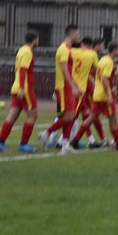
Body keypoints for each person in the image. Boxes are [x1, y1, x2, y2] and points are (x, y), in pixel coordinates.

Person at [70, 42, 118, 151]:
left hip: (98, 94)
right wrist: (109, 94)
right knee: (112, 119)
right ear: (114, 50)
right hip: (104, 96)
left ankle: (75, 140)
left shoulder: (102, 60)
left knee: (91, 118)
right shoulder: (109, 62)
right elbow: (104, 79)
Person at [0, 31, 40, 153]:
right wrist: (22, 88)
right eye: (37, 39)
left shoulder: (21, 50)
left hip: (16, 87)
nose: (38, 42)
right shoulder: (28, 52)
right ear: (35, 40)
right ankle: (24, 144)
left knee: (12, 115)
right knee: (33, 115)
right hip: (24, 89)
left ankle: (0, 142)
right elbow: (23, 70)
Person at [39, 24, 80, 155]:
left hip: (67, 86)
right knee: (69, 116)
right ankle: (46, 133)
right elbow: (64, 70)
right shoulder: (63, 49)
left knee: (71, 116)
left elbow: (69, 71)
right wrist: (72, 87)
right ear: (71, 34)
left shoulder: (68, 49)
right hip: (63, 87)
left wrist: (76, 85)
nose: (78, 35)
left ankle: (65, 145)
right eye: (77, 33)